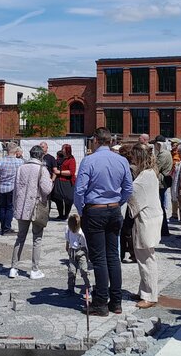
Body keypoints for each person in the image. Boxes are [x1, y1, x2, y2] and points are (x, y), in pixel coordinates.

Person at [74, 127, 133, 317]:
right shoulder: (121, 160)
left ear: (96, 140)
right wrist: (118, 203)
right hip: (113, 209)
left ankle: (100, 302)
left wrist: (82, 210)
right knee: (113, 256)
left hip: (95, 210)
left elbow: (79, 190)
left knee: (99, 258)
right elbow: (128, 188)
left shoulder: (89, 160)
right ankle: (116, 301)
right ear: (110, 141)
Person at [9, 145, 54, 279]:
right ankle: (34, 270)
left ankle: (13, 268)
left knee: (20, 237)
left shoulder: (21, 168)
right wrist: (51, 182)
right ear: (41, 156)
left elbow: (16, 189)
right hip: (36, 207)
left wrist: (15, 206)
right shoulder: (42, 169)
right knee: (37, 238)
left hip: (22, 207)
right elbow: (46, 190)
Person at [127, 143, 163, 309]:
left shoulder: (144, 177)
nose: (132, 159)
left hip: (146, 221)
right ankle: (144, 290)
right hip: (151, 218)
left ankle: (150, 295)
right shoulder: (149, 173)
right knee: (145, 257)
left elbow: (133, 198)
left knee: (146, 259)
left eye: (134, 156)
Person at [0, 143, 23, 235]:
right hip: (13, 187)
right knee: (10, 208)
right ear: (16, 151)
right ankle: (7, 228)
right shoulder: (20, 162)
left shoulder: (1, 161)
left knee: (2, 208)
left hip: (2, 187)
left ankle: (3, 227)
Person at [152, 135, 173, 237]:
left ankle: (163, 230)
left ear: (159, 144)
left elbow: (156, 167)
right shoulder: (163, 153)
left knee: (160, 206)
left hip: (161, 182)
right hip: (161, 182)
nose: (154, 146)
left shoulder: (163, 154)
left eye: (155, 144)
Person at [65, 214, 91, 295]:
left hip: (81, 251)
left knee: (84, 270)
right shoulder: (68, 229)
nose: (73, 230)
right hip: (72, 251)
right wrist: (67, 246)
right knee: (71, 271)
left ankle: (88, 287)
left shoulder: (81, 233)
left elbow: (86, 244)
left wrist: (88, 255)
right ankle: (70, 288)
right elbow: (67, 239)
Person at [52, 144, 76, 220]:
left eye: (63, 148)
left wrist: (60, 172)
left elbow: (71, 172)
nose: (62, 150)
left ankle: (66, 215)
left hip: (67, 182)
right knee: (58, 198)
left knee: (68, 199)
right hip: (59, 181)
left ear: (67, 150)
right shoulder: (60, 158)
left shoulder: (71, 159)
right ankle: (60, 214)